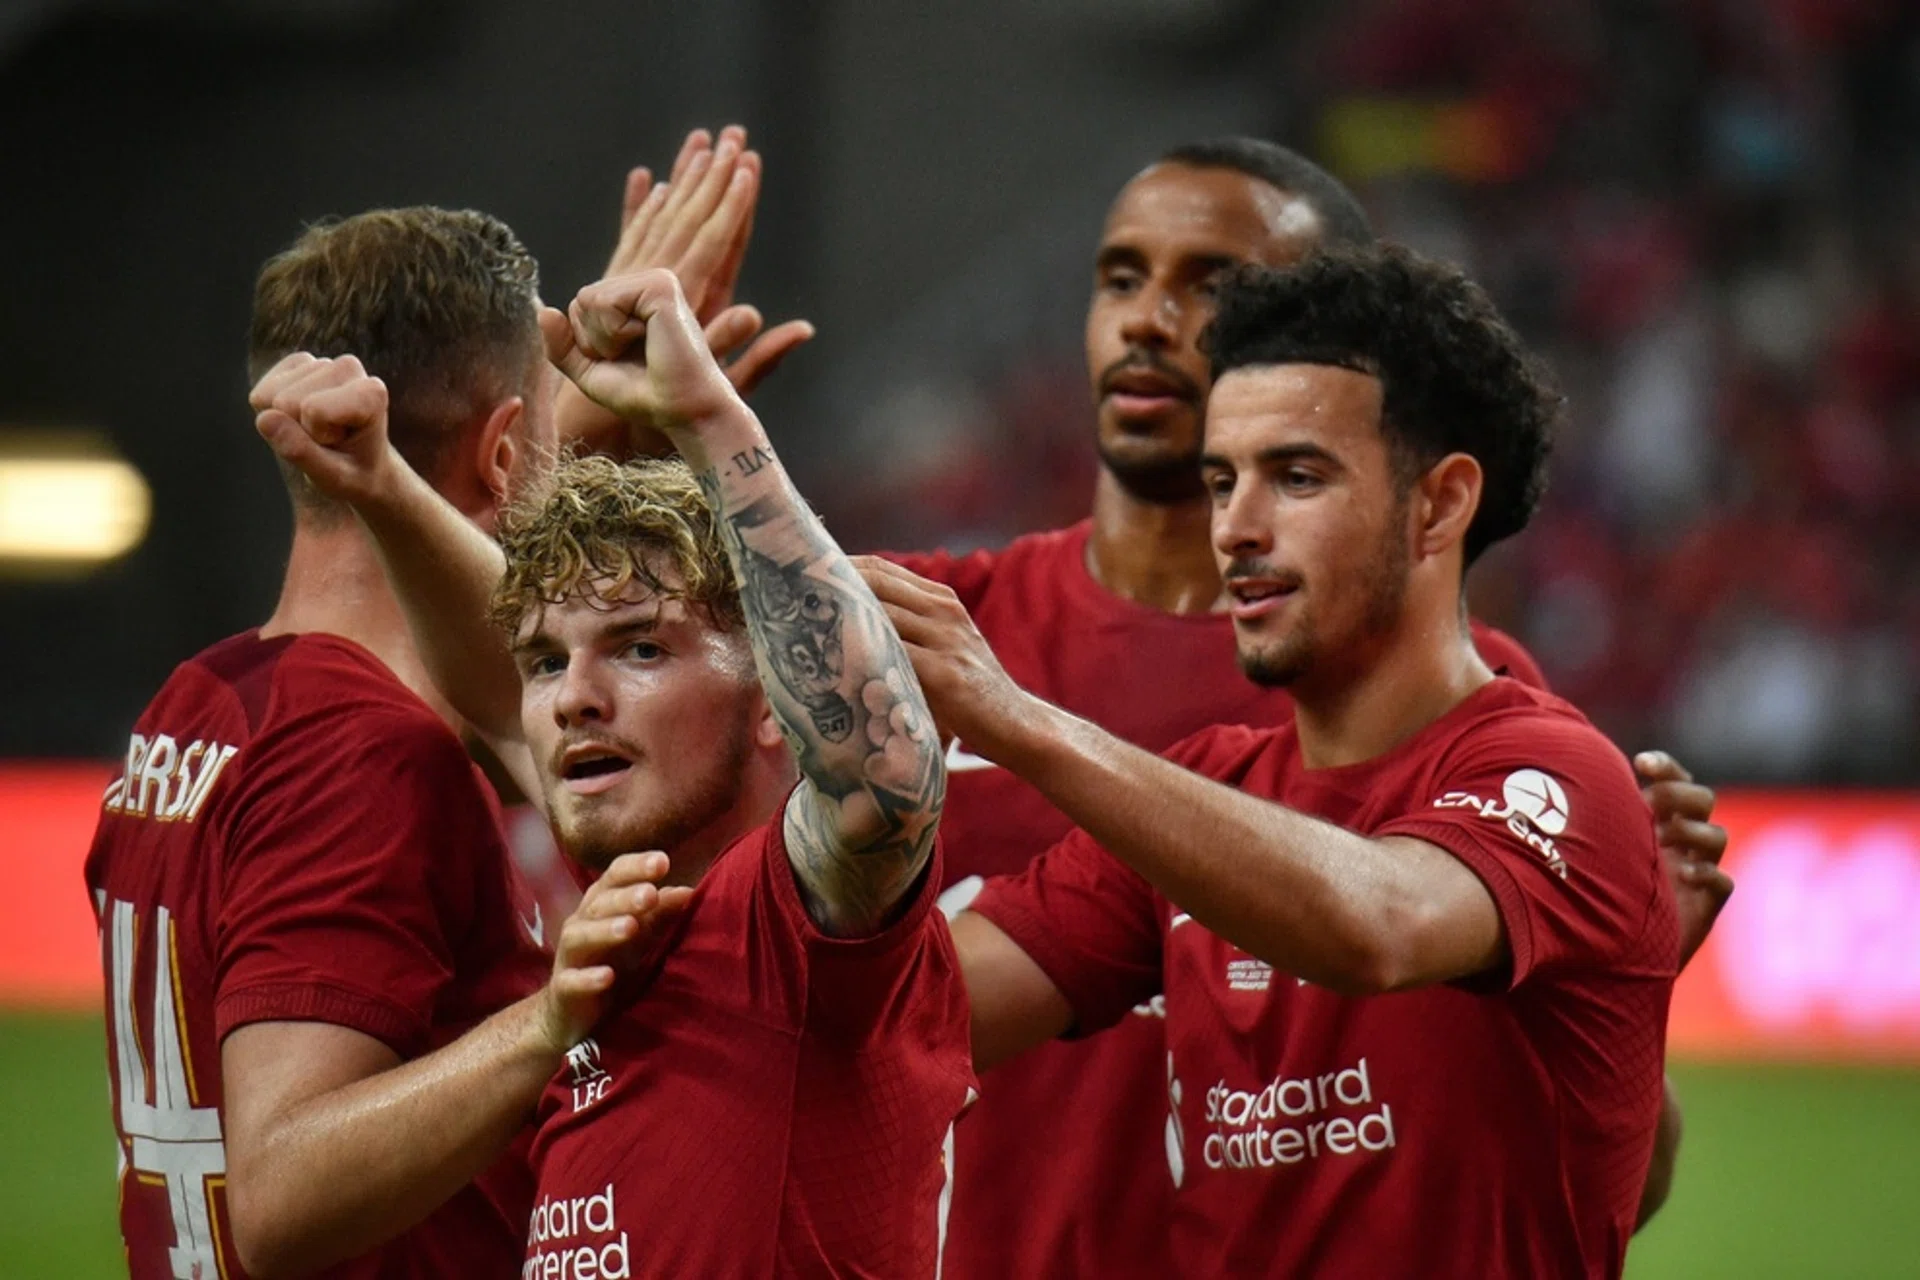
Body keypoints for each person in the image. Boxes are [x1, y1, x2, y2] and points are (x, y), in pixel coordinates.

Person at [875, 138, 1729, 1278]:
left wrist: (1018, 720)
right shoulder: (1197, 763)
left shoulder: (1538, 757)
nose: (1237, 524)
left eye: (1299, 475)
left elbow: (1380, 926)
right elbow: (893, 1019)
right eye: (1225, 478)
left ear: (1439, 503)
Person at [86, 126, 811, 1279]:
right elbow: (280, 1197)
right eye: (542, 436)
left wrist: (556, 425)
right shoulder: (369, 752)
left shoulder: (204, 698)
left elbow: (487, 624)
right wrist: (545, 1021)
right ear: (507, 448)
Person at [257, 265, 974, 1278]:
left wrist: (707, 417)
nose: (573, 699)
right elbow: (495, 677)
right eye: (550, 660)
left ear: (774, 697)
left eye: (642, 648)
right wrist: (380, 480)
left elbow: (884, 770)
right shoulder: (620, 936)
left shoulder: (797, 921)